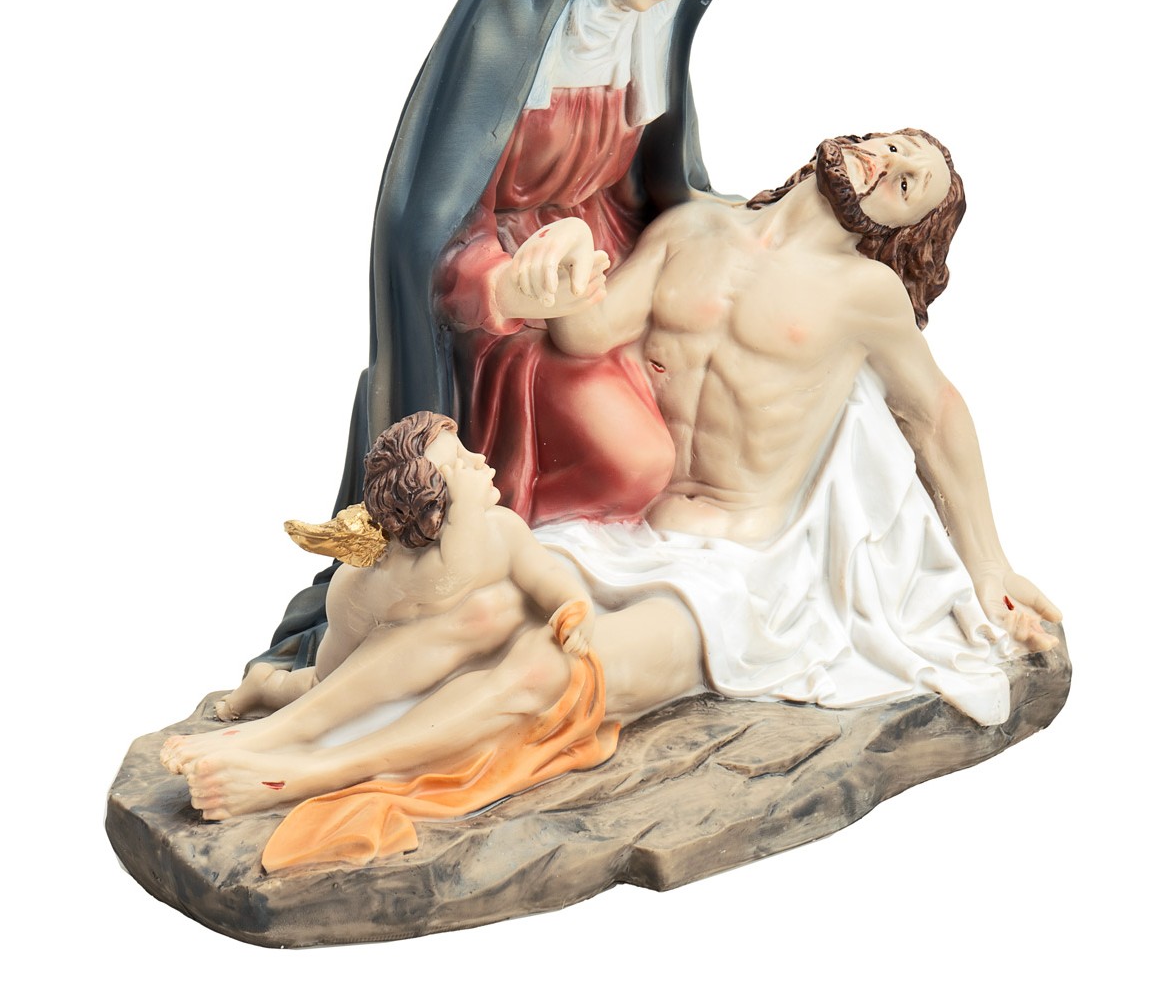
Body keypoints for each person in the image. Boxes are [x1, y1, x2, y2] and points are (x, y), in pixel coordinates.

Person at [173, 128, 1062, 821]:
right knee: (471, 611)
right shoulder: (692, 231)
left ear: (904, 228)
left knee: (549, 669)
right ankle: (283, 727)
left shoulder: (865, 294)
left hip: (741, 577)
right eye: (895, 147)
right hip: (629, 529)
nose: (888, 165)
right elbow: (589, 332)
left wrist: (989, 564)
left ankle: (300, 776)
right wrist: (554, 269)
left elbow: (933, 414)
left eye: (908, 184)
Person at [260, 0, 765, 670]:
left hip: (613, 276)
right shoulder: (508, 44)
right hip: (513, 313)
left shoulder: (649, 33)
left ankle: (672, 600)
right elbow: (426, 228)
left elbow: (662, 187)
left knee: (742, 398)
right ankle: (527, 590)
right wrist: (505, 288)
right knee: (638, 459)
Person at [162, 411, 595, 772]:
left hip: (422, 665)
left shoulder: (503, 529)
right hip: (355, 649)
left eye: (466, 450)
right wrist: (465, 508)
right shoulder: (407, 564)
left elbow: (544, 573)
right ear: (432, 506)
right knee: (319, 690)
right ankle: (265, 686)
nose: (480, 458)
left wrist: (573, 608)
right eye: (461, 464)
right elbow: (451, 579)